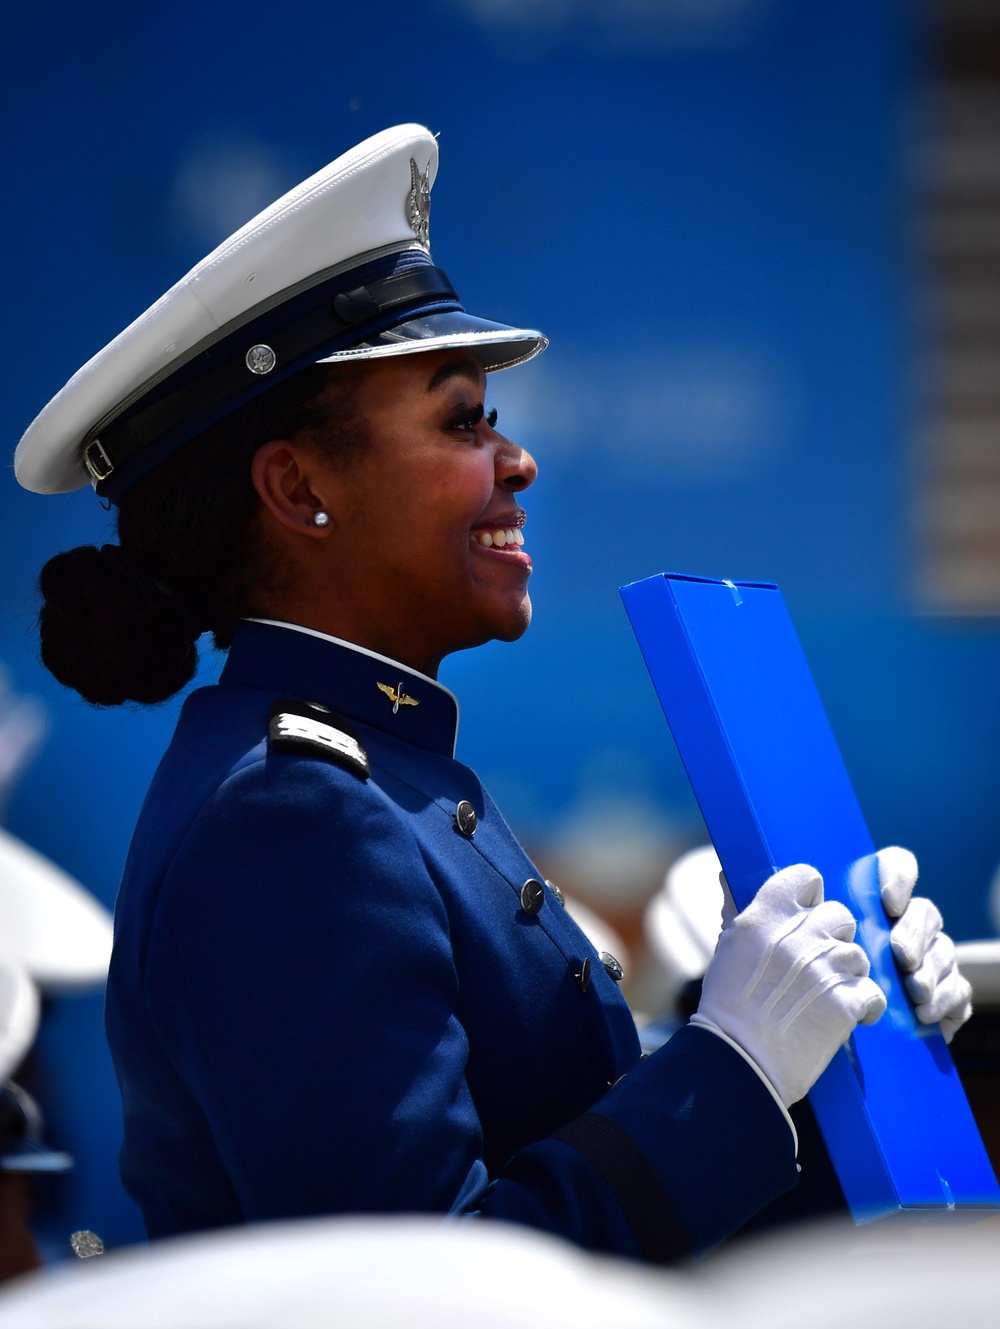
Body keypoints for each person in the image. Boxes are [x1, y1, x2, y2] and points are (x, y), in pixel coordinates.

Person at [14, 125, 972, 1262]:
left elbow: (552, 1189)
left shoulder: (367, 774)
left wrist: (815, 1045)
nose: (515, 461)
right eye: (462, 419)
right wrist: (734, 1065)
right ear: (300, 485)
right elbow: (424, 1295)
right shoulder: (292, 813)